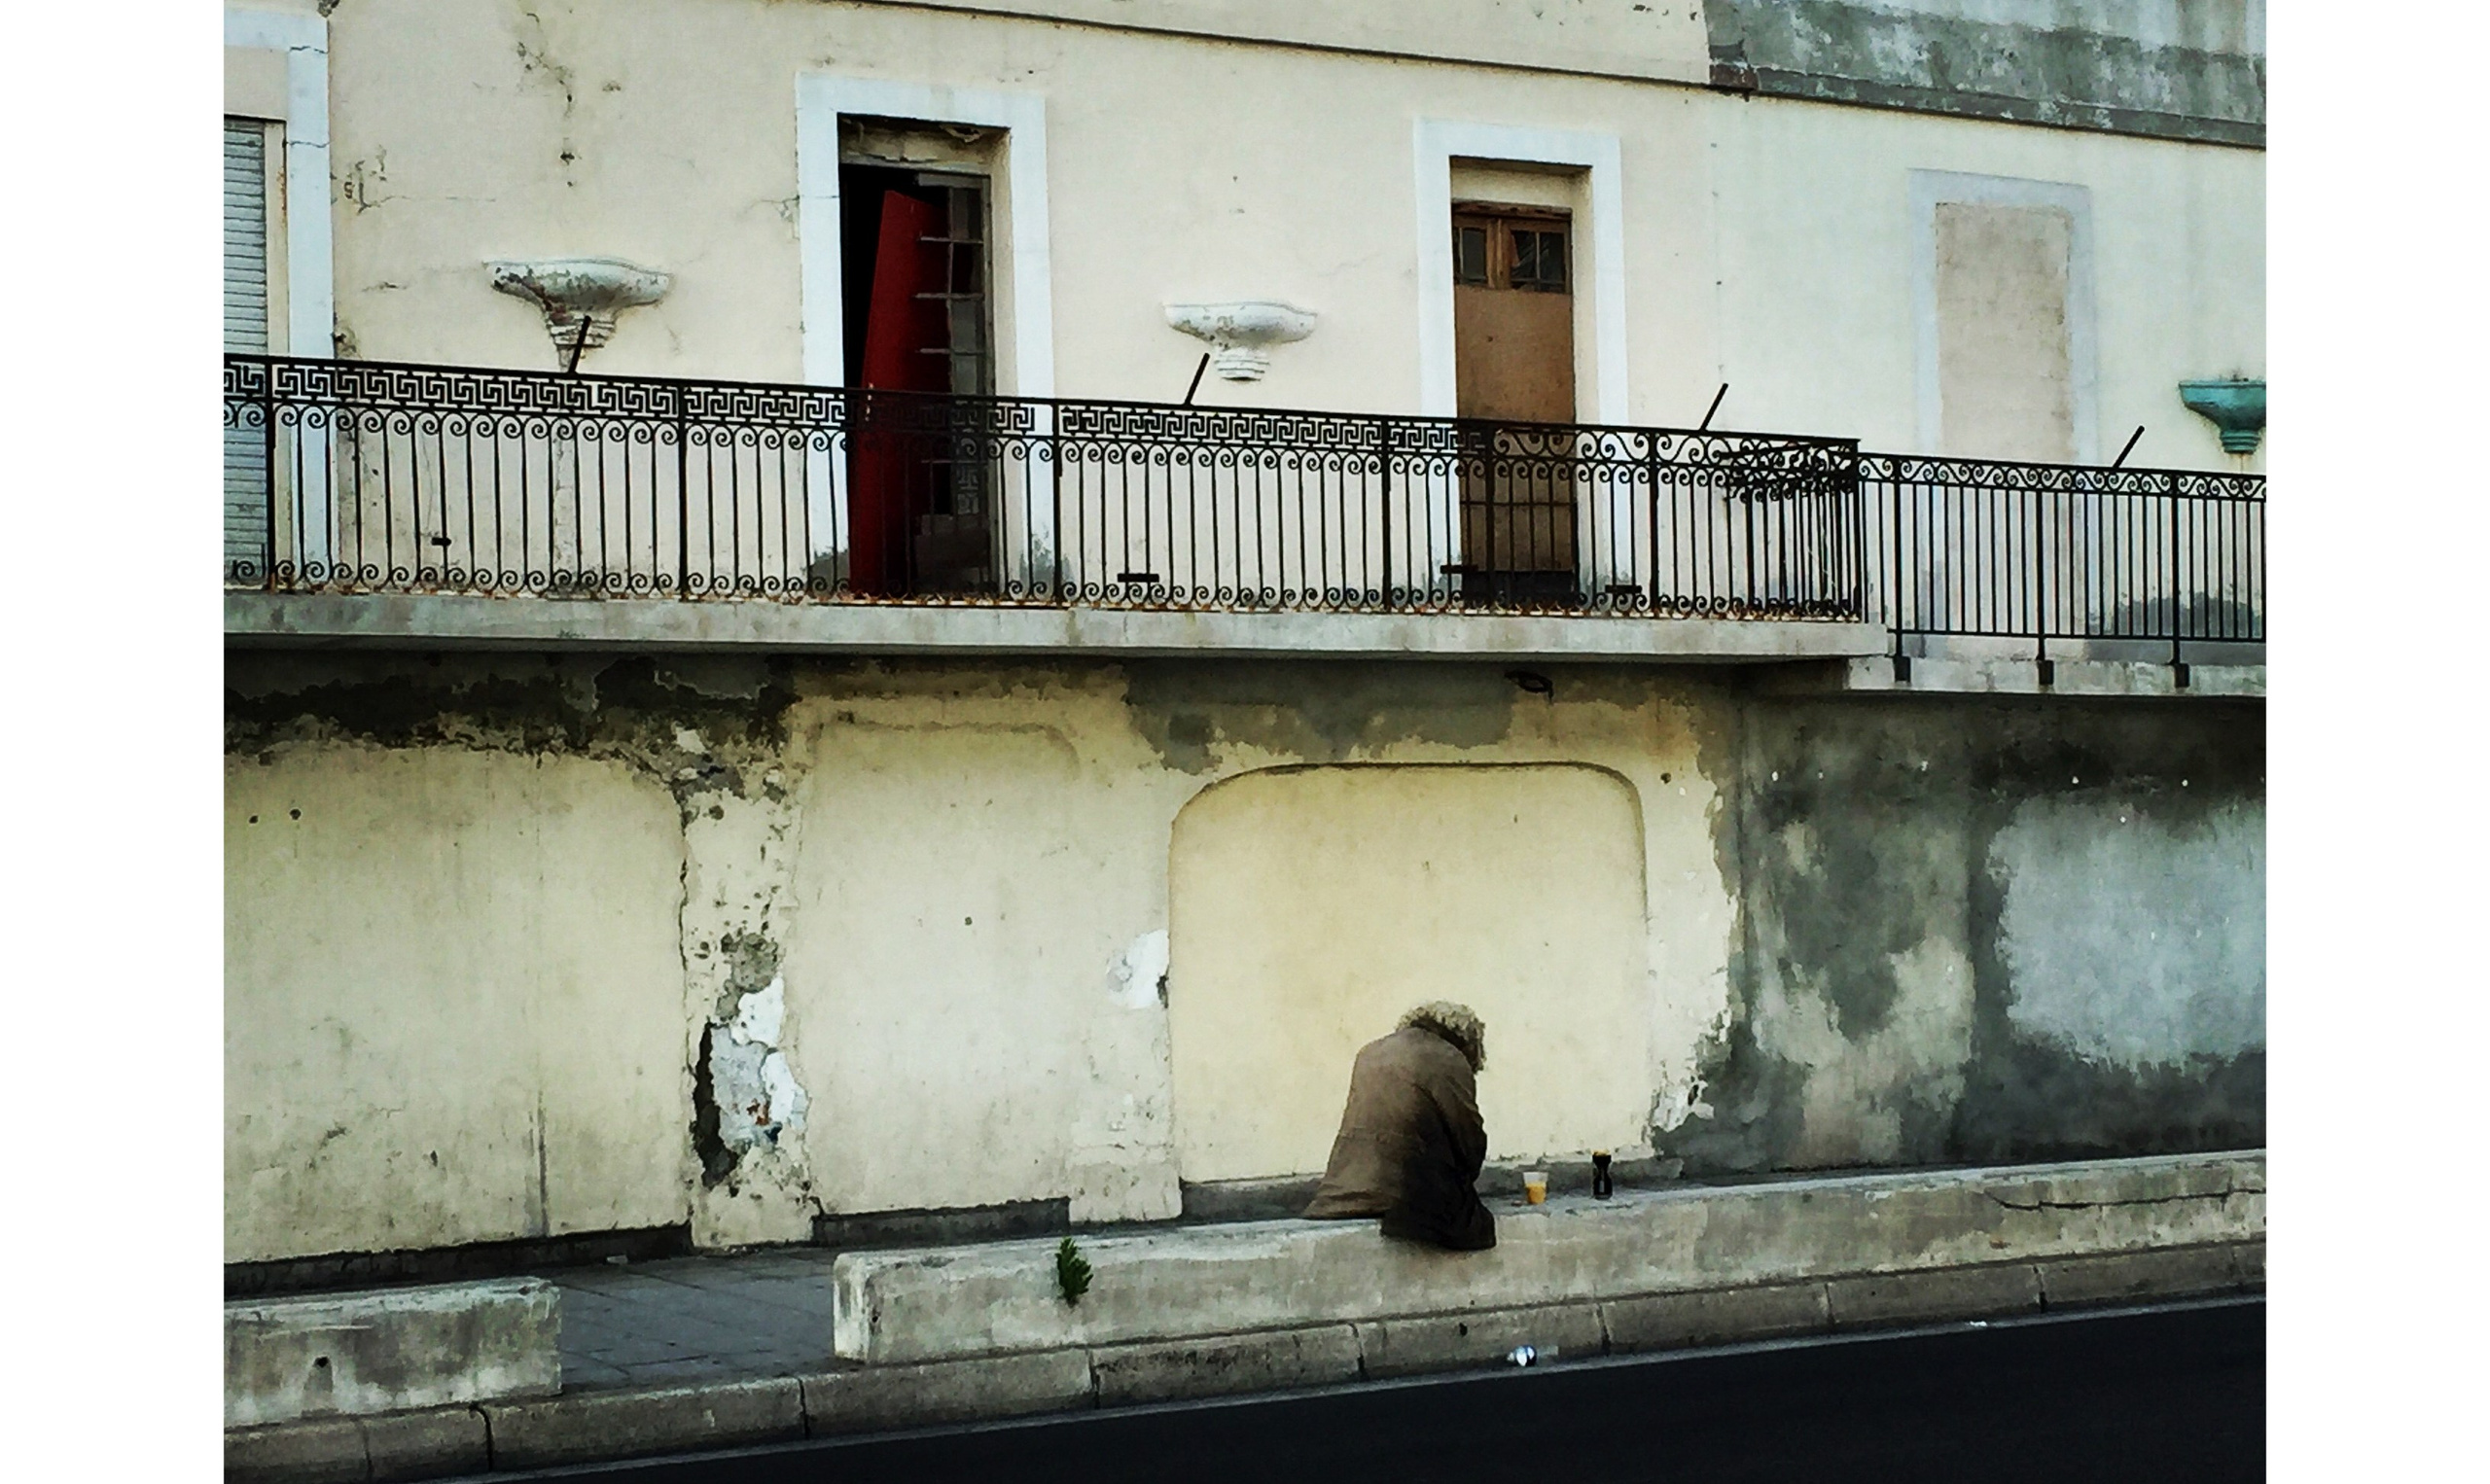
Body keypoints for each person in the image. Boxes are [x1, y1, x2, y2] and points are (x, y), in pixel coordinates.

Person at [1303, 1002, 1496, 1251]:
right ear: (1469, 1043)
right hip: (1400, 1199)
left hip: (1337, 1195)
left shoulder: (1371, 1051)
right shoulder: (1447, 1057)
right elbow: (1468, 1140)